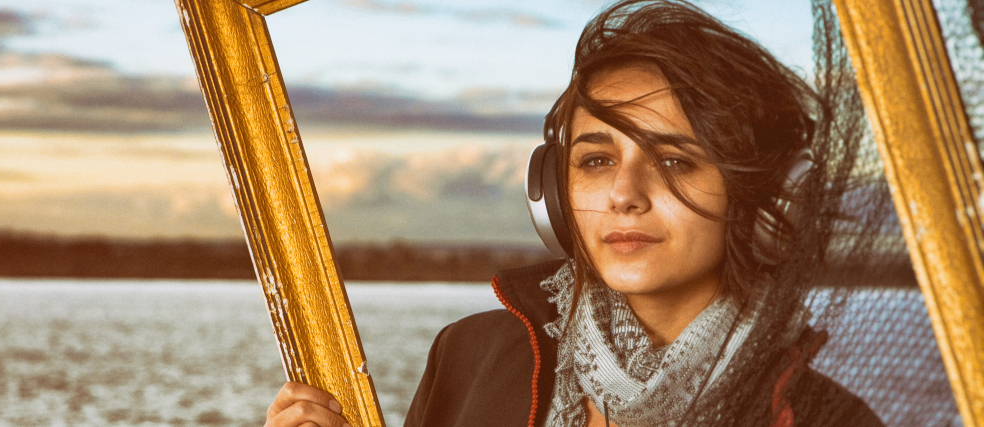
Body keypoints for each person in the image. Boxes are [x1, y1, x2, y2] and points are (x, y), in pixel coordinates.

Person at [266, 1, 889, 426]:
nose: (624, 193)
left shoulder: (825, 417)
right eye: (595, 160)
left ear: (763, 200)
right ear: (555, 193)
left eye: (675, 162)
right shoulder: (473, 355)